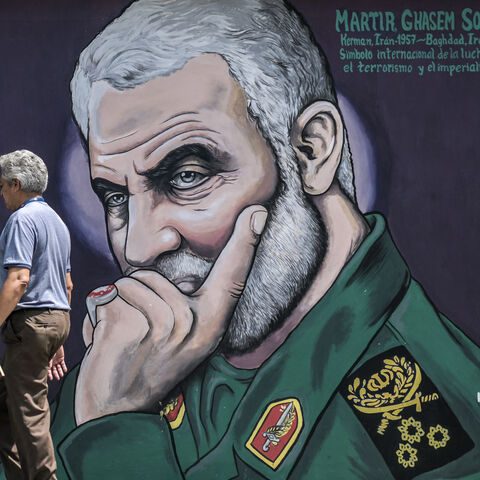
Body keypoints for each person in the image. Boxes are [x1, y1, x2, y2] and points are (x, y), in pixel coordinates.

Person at [3, 1, 478, 479]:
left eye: (187, 176)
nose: (139, 248)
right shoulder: (129, 360)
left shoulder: (434, 432)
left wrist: (113, 432)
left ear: (312, 152)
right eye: (115, 197)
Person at [0, 150, 72, 480]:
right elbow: (67, 285)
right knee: (8, 412)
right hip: (54, 319)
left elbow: (19, 279)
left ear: (16, 184)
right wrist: (55, 340)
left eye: (2, 186)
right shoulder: (57, 222)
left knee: (30, 415)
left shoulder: (21, 220)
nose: (2, 195)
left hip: (29, 323)